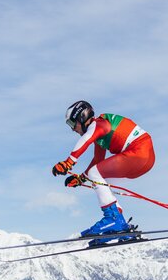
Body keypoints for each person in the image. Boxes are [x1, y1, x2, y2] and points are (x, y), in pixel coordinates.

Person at [51, 101, 155, 246]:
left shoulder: (99, 124)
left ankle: (113, 219)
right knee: (99, 177)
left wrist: (68, 162)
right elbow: (98, 160)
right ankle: (120, 225)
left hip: (138, 153)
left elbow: (85, 140)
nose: (72, 129)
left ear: (81, 117)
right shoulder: (100, 134)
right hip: (143, 158)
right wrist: (81, 179)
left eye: (72, 123)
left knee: (96, 174)